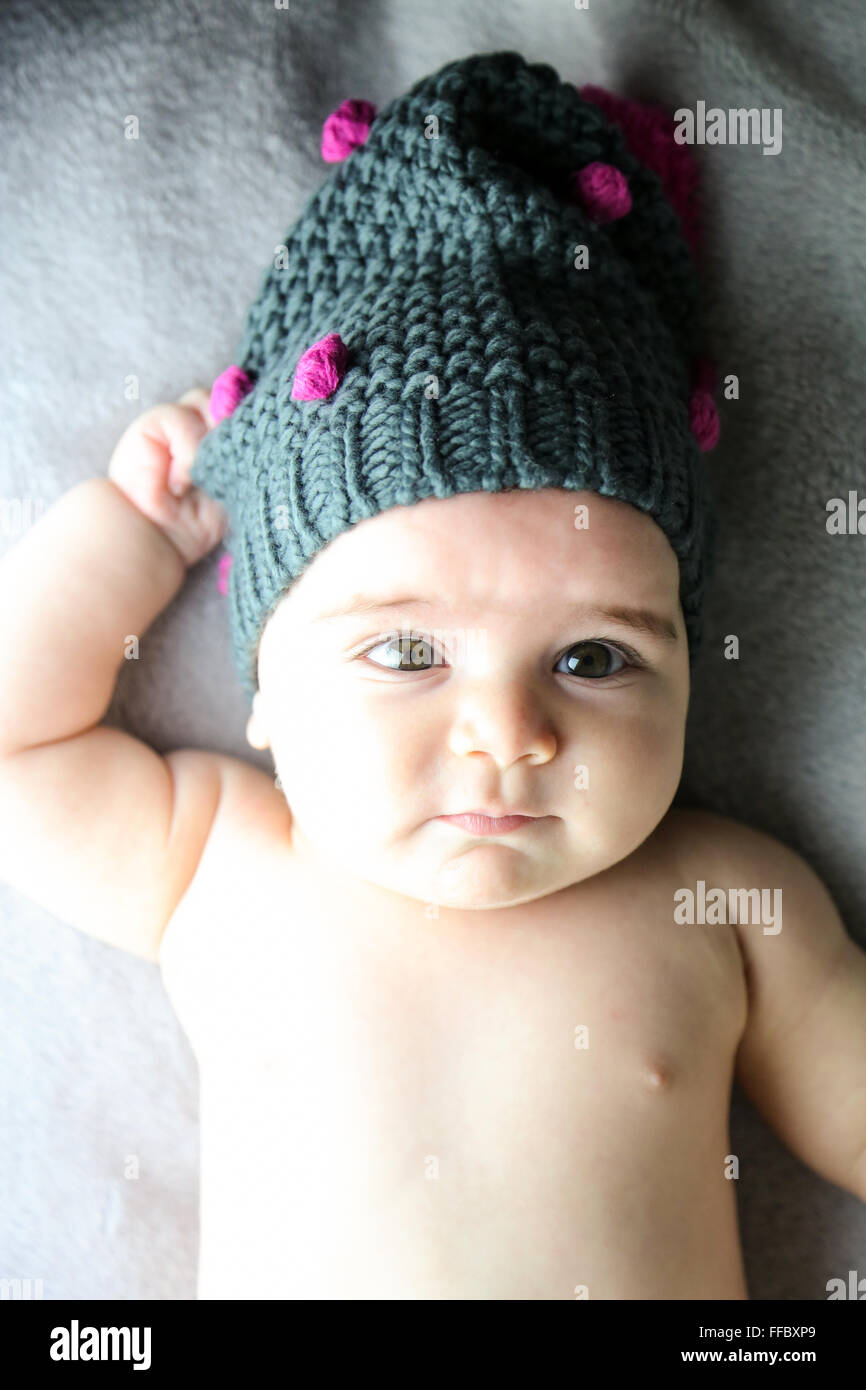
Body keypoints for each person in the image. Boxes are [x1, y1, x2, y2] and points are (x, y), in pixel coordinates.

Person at [1, 51, 864, 1300]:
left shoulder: (725, 905)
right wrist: (134, 537)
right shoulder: (223, 866)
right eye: (404, 652)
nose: (508, 731)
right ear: (263, 690)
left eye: (593, 657)